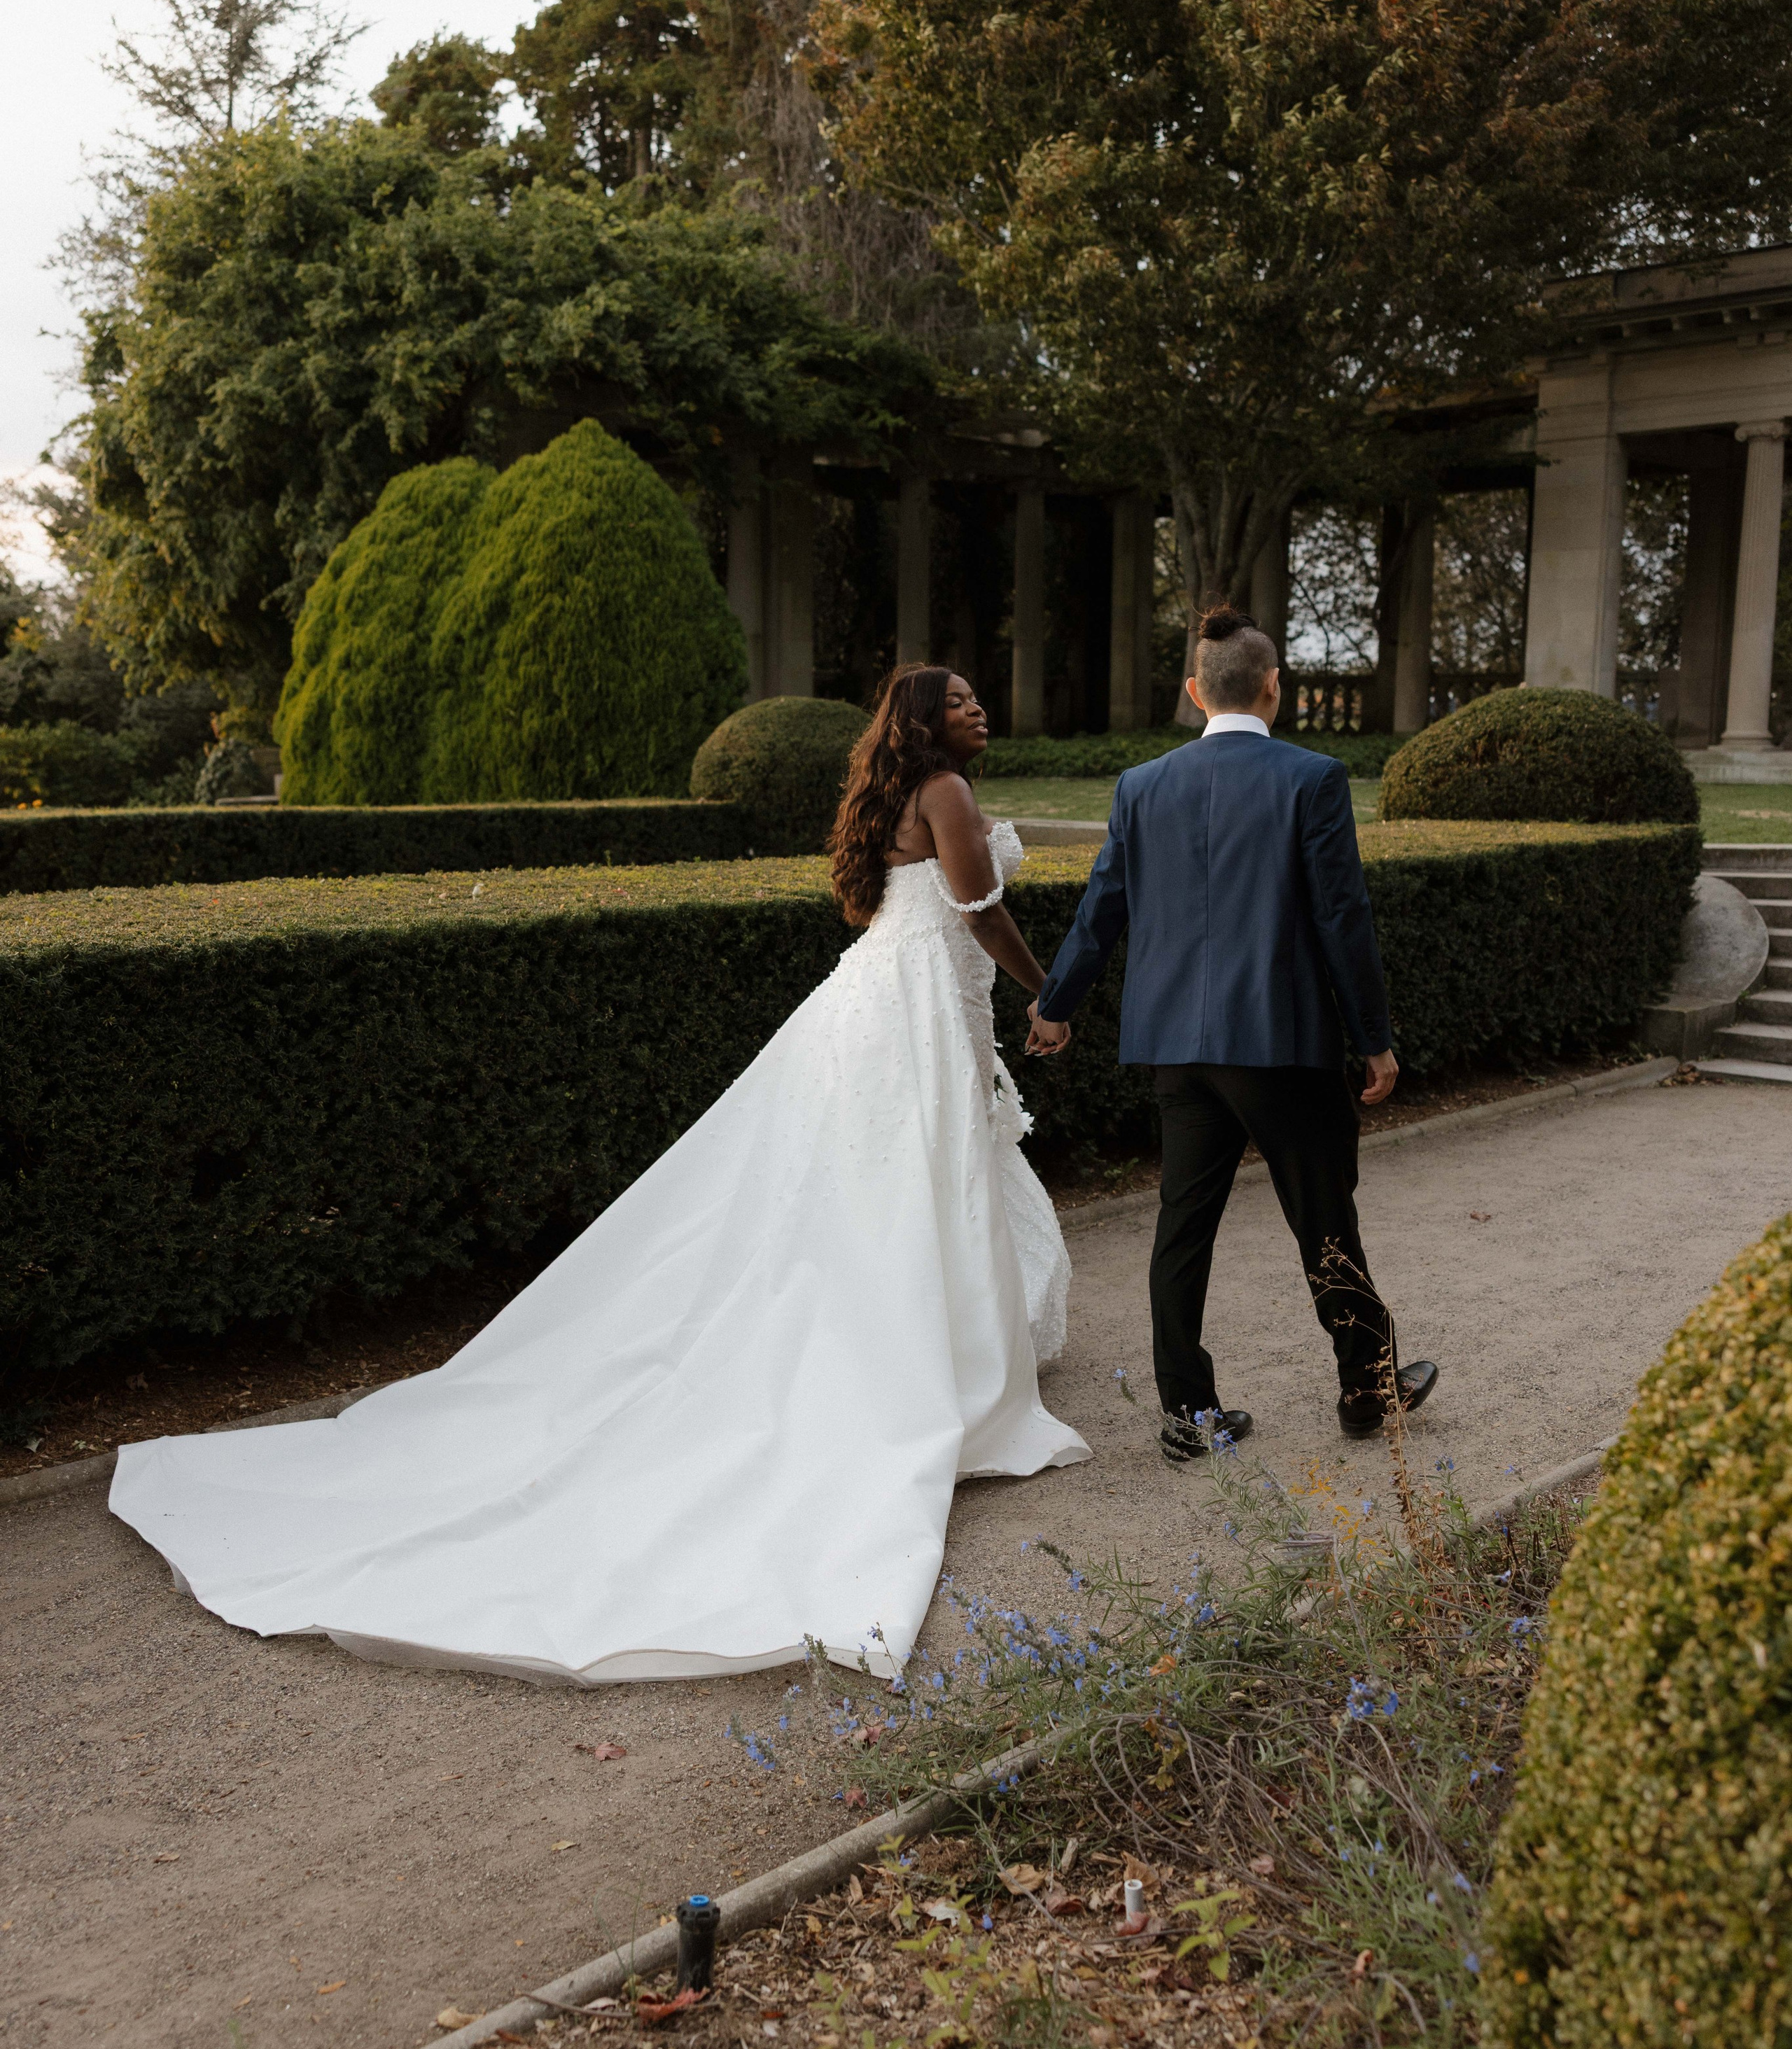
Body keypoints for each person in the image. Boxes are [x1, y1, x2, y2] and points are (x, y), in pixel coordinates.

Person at [111, 666, 1088, 1688]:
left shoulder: (899, 791)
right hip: (922, 1000)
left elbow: (903, 906)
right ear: (928, 722)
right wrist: (1052, 988)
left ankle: (909, 1336)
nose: (980, 707)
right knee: (917, 1178)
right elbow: (977, 909)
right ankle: (928, 1362)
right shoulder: (947, 792)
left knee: (870, 1182)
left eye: (981, 696)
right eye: (962, 699)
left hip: (881, 991)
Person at [1027, 606, 1436, 1457]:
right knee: (1323, 1216)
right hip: (1280, 1041)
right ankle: (1365, 1389)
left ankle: (1189, 1414)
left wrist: (1056, 1005)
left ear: (1192, 693)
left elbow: (1103, 908)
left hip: (1175, 1045)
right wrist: (1373, 1037)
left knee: (1183, 1225)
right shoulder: (1311, 777)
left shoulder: (1141, 785)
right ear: (1273, 688)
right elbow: (1342, 918)